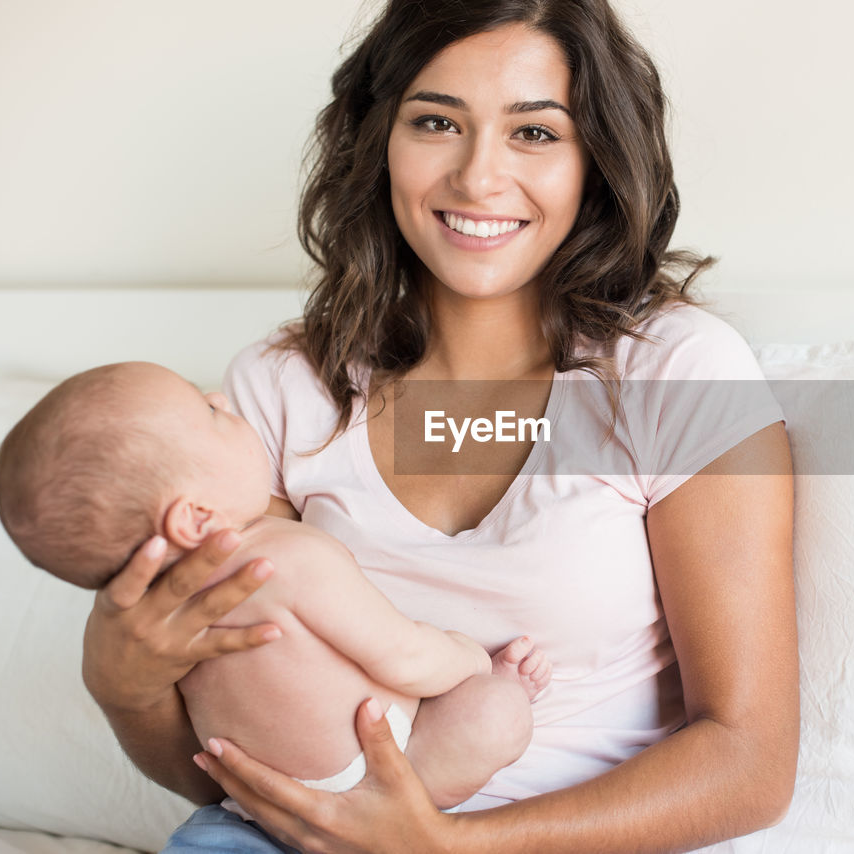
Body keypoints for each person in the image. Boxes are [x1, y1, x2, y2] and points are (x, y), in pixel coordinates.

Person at [80, 1, 799, 851]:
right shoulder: (279, 390)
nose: (478, 178)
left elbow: (749, 763)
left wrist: (444, 844)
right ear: (378, 140)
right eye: (435, 122)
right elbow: (240, 758)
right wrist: (124, 689)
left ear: (595, 160)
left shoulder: (674, 371)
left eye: (534, 133)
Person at [0, 361, 553, 821]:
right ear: (194, 518)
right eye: (209, 412)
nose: (222, 397)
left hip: (251, 810)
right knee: (497, 712)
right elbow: (405, 655)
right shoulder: (285, 558)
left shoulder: (153, 614)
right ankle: (421, 798)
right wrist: (474, 659)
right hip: (385, 767)